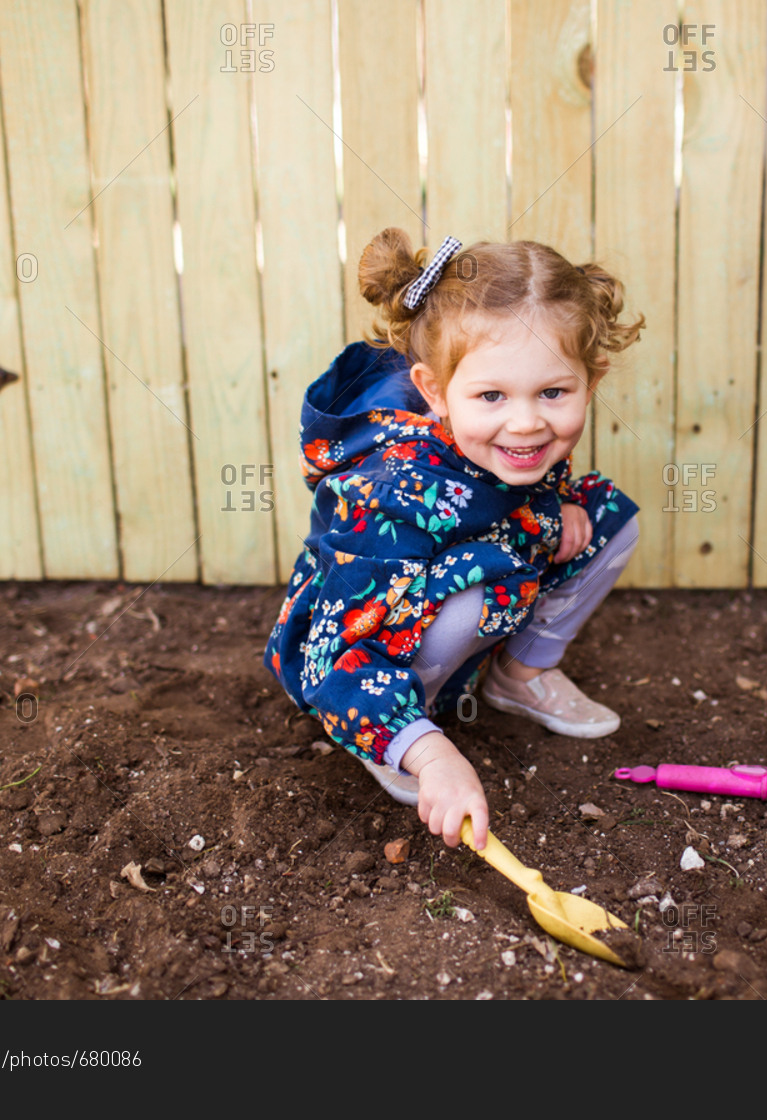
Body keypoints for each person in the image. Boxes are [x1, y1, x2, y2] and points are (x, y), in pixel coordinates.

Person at [265, 227, 644, 852]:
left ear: (590, 380)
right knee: (474, 591)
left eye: (553, 392)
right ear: (436, 390)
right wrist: (433, 757)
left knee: (607, 519)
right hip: (357, 659)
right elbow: (335, 656)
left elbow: (530, 467)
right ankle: (406, 732)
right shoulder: (394, 494)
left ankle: (520, 676)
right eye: (491, 395)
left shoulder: (511, 439)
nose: (526, 422)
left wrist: (564, 498)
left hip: (478, 568)